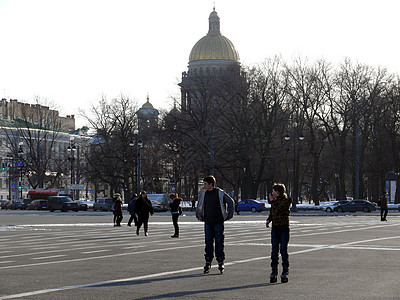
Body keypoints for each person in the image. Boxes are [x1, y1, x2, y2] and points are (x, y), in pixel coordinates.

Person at [196, 175, 234, 274]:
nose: (204, 186)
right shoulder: (204, 193)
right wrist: (199, 215)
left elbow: (231, 202)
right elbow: (200, 205)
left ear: (211, 184)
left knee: (219, 242)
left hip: (218, 222)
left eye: (205, 184)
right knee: (208, 242)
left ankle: (220, 261)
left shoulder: (219, 193)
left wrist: (229, 215)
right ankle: (208, 261)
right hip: (208, 222)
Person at [266, 183, 292, 283]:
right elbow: (272, 213)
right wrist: (269, 220)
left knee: (283, 250)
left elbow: (279, 210)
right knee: (274, 251)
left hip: (284, 228)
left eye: (273, 191)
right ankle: (274, 271)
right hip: (275, 228)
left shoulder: (286, 200)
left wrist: (272, 202)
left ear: (278, 192)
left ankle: (285, 271)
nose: (272, 193)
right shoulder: (275, 202)